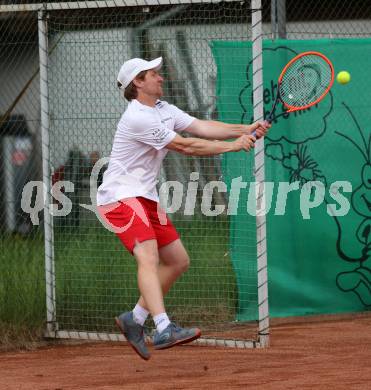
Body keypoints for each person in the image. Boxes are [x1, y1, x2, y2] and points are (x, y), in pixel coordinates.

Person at [97, 56, 270, 360]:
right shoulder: (138, 117)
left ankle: (134, 319)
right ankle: (163, 328)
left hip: (145, 196)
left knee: (178, 260)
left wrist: (246, 127)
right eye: (154, 74)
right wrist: (234, 145)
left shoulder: (163, 109)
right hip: (119, 197)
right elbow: (186, 145)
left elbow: (202, 127)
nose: (161, 78)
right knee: (148, 256)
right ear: (138, 82)